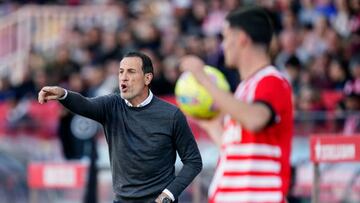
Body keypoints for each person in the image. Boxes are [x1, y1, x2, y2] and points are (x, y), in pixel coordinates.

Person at [38, 51, 203, 203]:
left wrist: (169, 194)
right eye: (121, 72)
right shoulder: (111, 106)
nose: (123, 77)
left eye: (131, 72)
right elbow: (85, 104)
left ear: (147, 78)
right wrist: (63, 94)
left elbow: (193, 161)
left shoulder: (171, 115)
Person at [180, 6, 293, 203]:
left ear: (241, 38)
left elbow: (255, 119)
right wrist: (211, 125)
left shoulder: (272, 80)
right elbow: (235, 149)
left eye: (225, 37)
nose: (223, 46)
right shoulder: (244, 88)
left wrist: (203, 79)